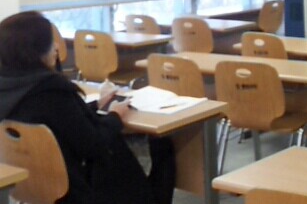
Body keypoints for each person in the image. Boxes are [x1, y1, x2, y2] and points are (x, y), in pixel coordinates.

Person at [0, 12, 175, 204]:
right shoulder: (52, 91)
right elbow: (94, 144)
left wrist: (95, 105)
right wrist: (115, 116)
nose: (56, 47)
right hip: (78, 191)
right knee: (161, 145)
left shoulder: (10, 89)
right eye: (51, 42)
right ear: (35, 51)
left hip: (33, 185)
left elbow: (62, 120)